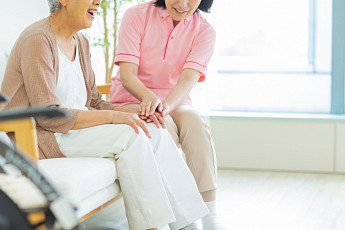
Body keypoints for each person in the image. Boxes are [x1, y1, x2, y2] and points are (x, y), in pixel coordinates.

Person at [0, 0, 210, 229]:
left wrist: (127, 113)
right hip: (39, 136)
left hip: (74, 129)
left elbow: (94, 101)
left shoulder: (80, 42)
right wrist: (114, 118)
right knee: (132, 136)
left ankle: (187, 223)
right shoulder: (37, 39)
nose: (97, 2)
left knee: (152, 128)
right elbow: (48, 116)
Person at [109, 0, 223, 229]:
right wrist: (151, 101)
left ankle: (211, 218)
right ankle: (181, 219)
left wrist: (165, 106)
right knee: (163, 127)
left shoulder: (204, 30)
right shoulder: (137, 15)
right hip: (132, 99)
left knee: (195, 124)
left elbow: (187, 80)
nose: (182, 3)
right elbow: (127, 75)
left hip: (175, 101)